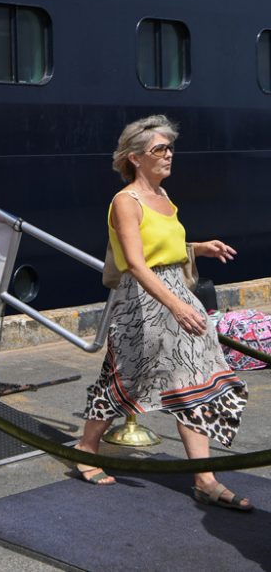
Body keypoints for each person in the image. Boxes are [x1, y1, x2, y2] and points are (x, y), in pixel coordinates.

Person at [73, 115, 252, 510]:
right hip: (142, 301)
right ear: (135, 157)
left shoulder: (165, 198)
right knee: (125, 377)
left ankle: (204, 479)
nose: (169, 155)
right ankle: (86, 446)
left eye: (170, 148)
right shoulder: (126, 201)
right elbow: (136, 263)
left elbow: (167, 248)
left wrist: (200, 247)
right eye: (160, 149)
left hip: (176, 293)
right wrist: (174, 305)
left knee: (193, 378)